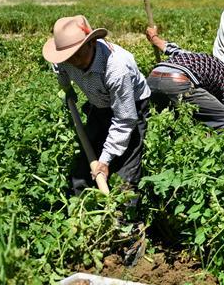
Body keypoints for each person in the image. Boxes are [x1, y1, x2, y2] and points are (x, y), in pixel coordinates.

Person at [42, 15, 150, 204]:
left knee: (125, 170)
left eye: (78, 54)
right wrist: (66, 89)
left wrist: (105, 160)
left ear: (92, 42)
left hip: (130, 106)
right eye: (68, 56)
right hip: (99, 103)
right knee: (84, 166)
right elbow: (60, 68)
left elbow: (124, 119)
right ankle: (80, 212)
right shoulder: (65, 57)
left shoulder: (117, 67)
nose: (74, 60)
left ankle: (126, 223)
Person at [145, 27, 224, 129]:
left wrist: (154, 37)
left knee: (169, 121)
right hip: (178, 83)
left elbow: (173, 50)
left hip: (152, 78)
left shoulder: (202, 58)